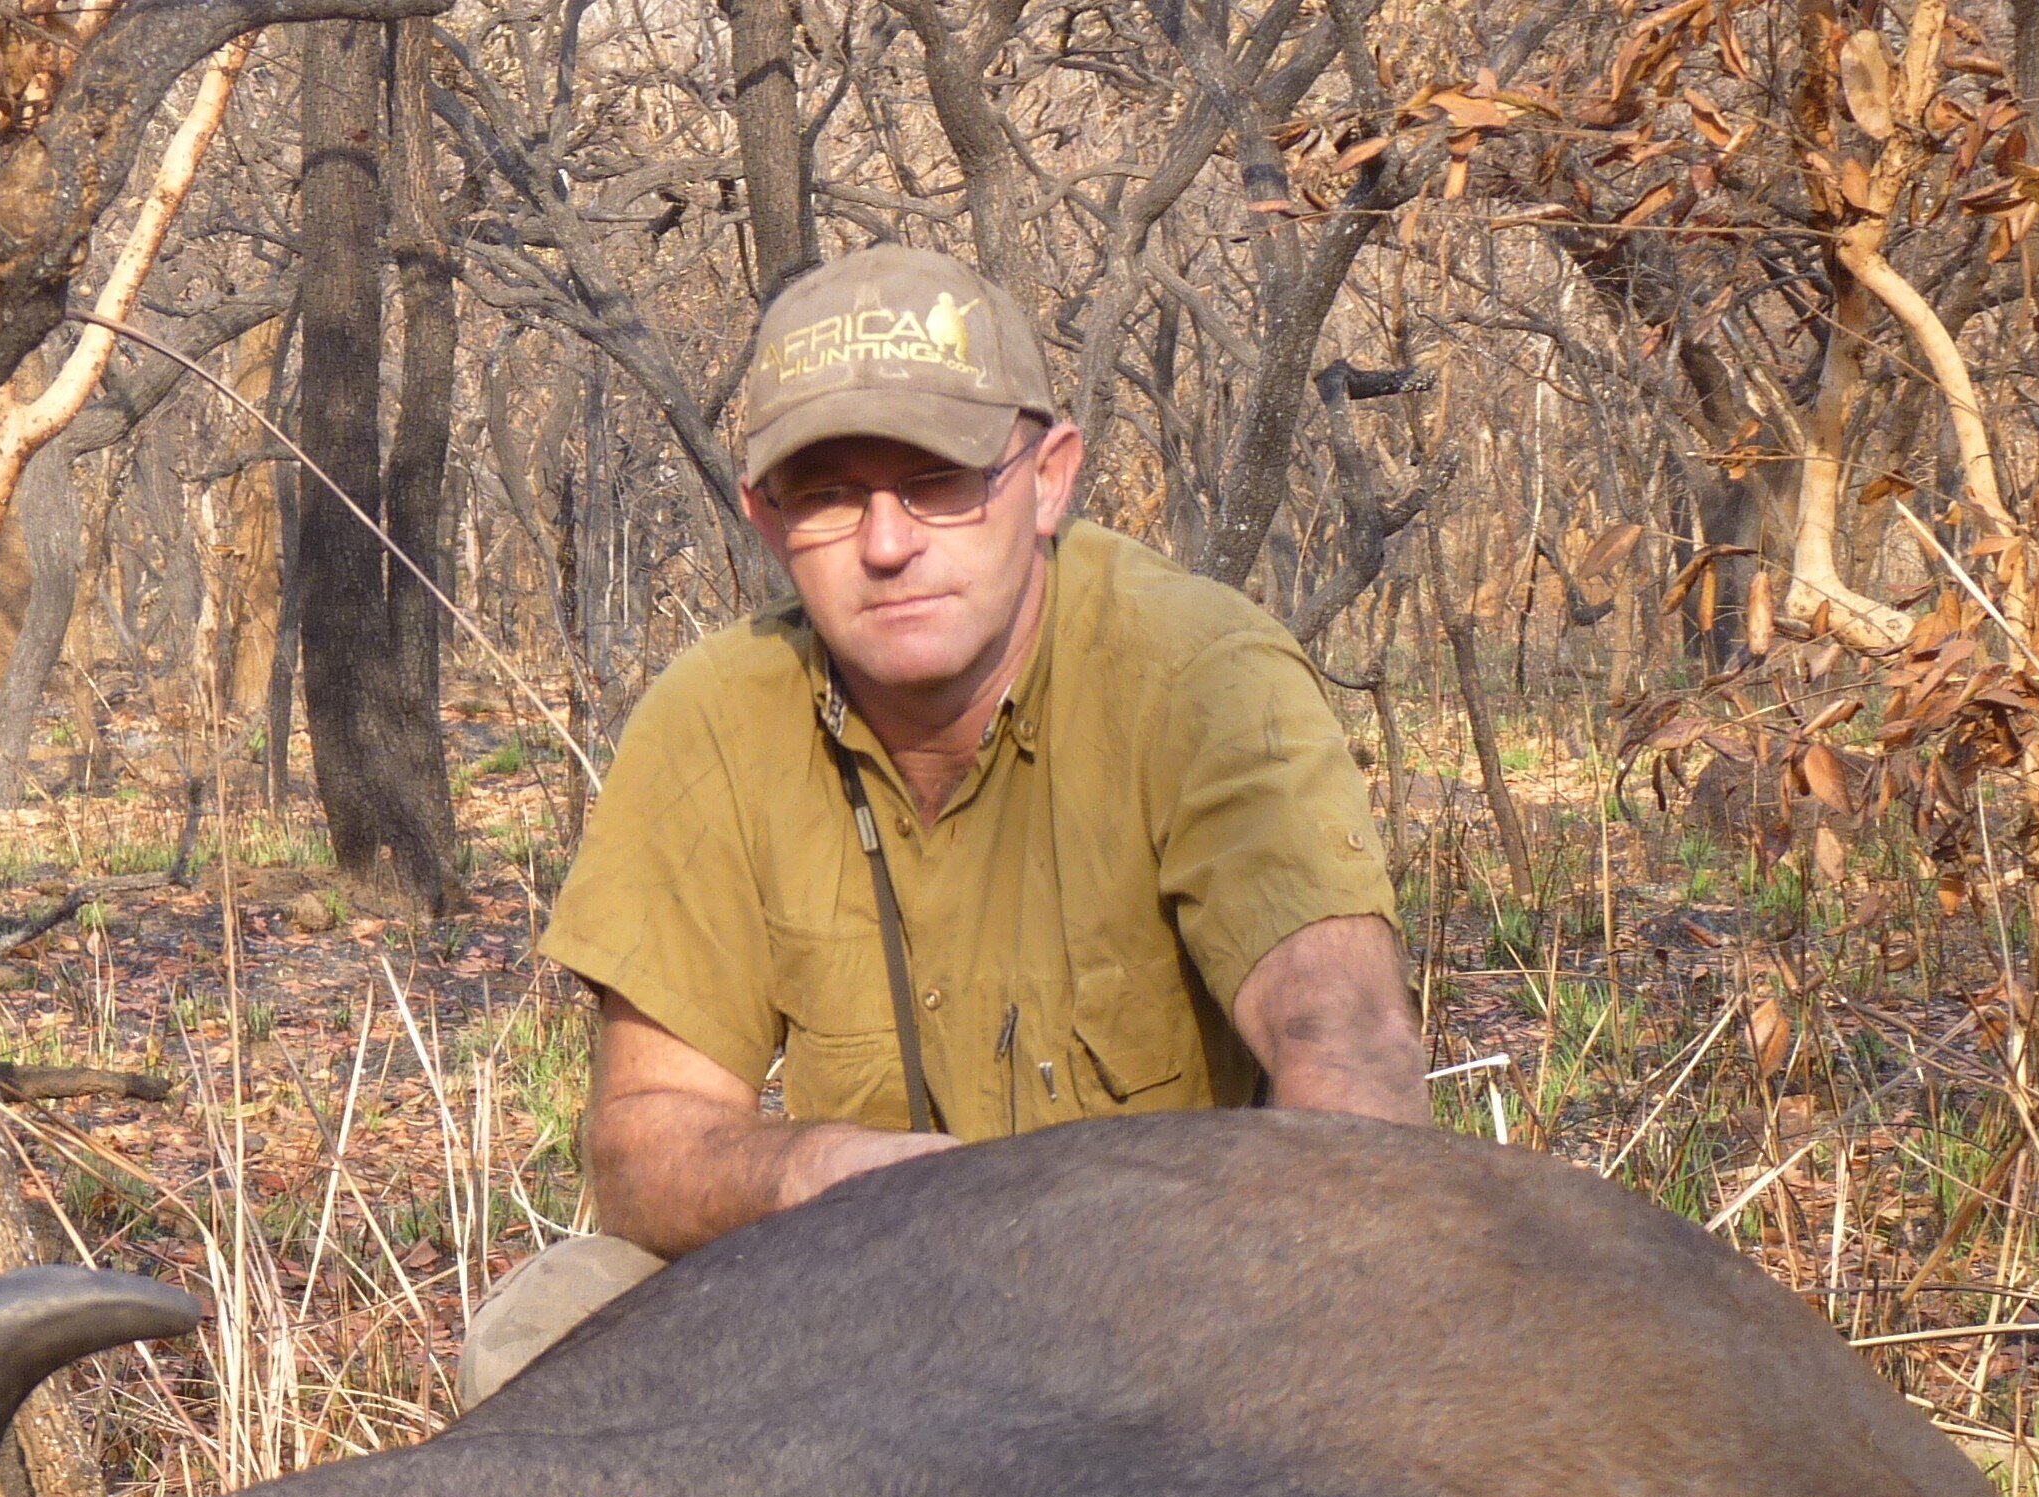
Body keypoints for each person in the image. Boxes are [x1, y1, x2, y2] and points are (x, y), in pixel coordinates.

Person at [462, 245, 1424, 1402]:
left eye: (938, 480)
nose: (885, 542)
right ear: (764, 521)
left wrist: (1265, 1312)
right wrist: (813, 1172)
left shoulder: (1203, 676)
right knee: (545, 1325)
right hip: (854, 1291)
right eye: (828, 495)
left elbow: (1349, 1052)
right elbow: (642, 1143)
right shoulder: (711, 718)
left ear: (1050, 478)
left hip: (1168, 1309)